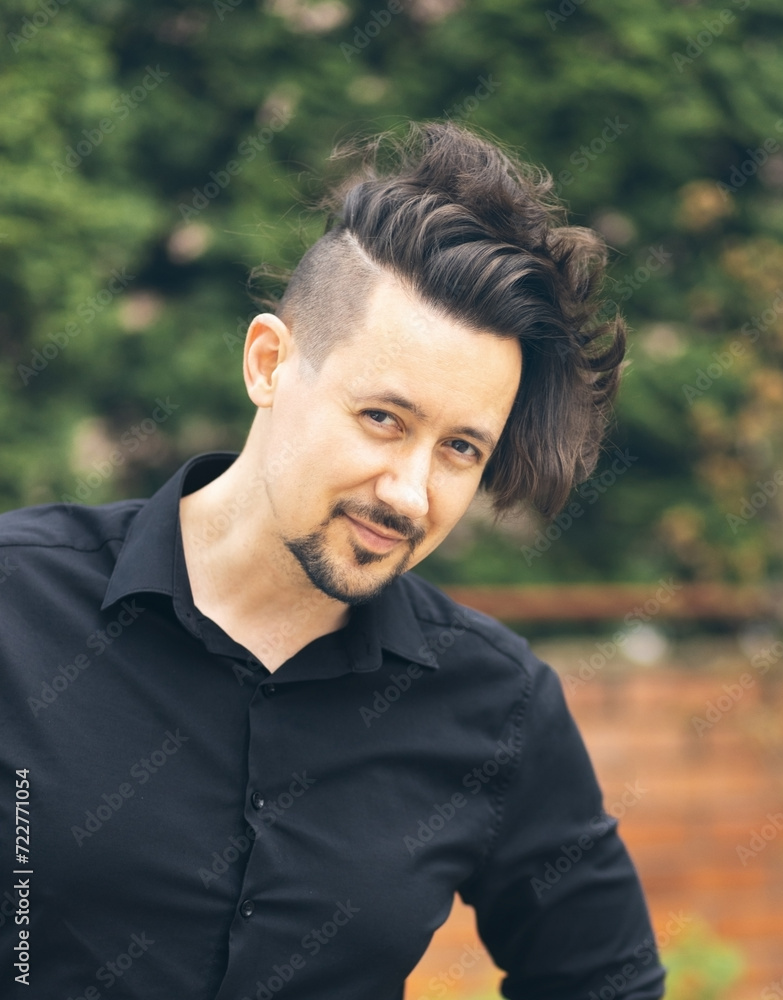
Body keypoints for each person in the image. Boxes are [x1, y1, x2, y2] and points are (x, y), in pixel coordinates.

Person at [0, 122, 666, 999]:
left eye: (461, 449)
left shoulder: (496, 702)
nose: (410, 494)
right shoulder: (17, 605)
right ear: (269, 363)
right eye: (383, 419)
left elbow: (604, 982)